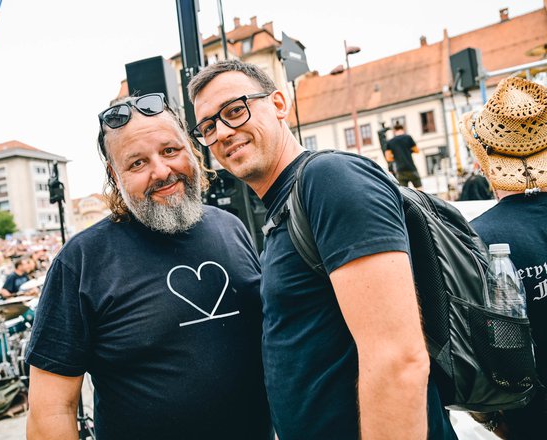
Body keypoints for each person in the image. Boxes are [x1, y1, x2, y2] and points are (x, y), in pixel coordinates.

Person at [189, 59, 455, 439]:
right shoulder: (286, 206)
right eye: (209, 127)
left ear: (279, 104)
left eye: (235, 110)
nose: (223, 132)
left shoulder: (328, 178)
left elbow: (398, 360)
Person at [25, 93, 271, 439]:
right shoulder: (80, 262)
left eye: (170, 150)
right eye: (137, 163)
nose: (162, 171)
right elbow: (50, 409)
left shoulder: (231, 228)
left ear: (191, 149)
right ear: (115, 175)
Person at [462, 76, 547, 439]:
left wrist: (492, 421)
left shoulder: (473, 240)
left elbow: (468, 354)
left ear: (484, 158)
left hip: (538, 425)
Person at [385, 123, 424, 189]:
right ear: (403, 129)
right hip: (411, 168)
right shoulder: (408, 137)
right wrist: (409, 150)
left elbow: (389, 158)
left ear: (394, 131)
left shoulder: (390, 142)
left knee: (404, 193)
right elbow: (417, 150)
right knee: (420, 190)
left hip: (400, 170)